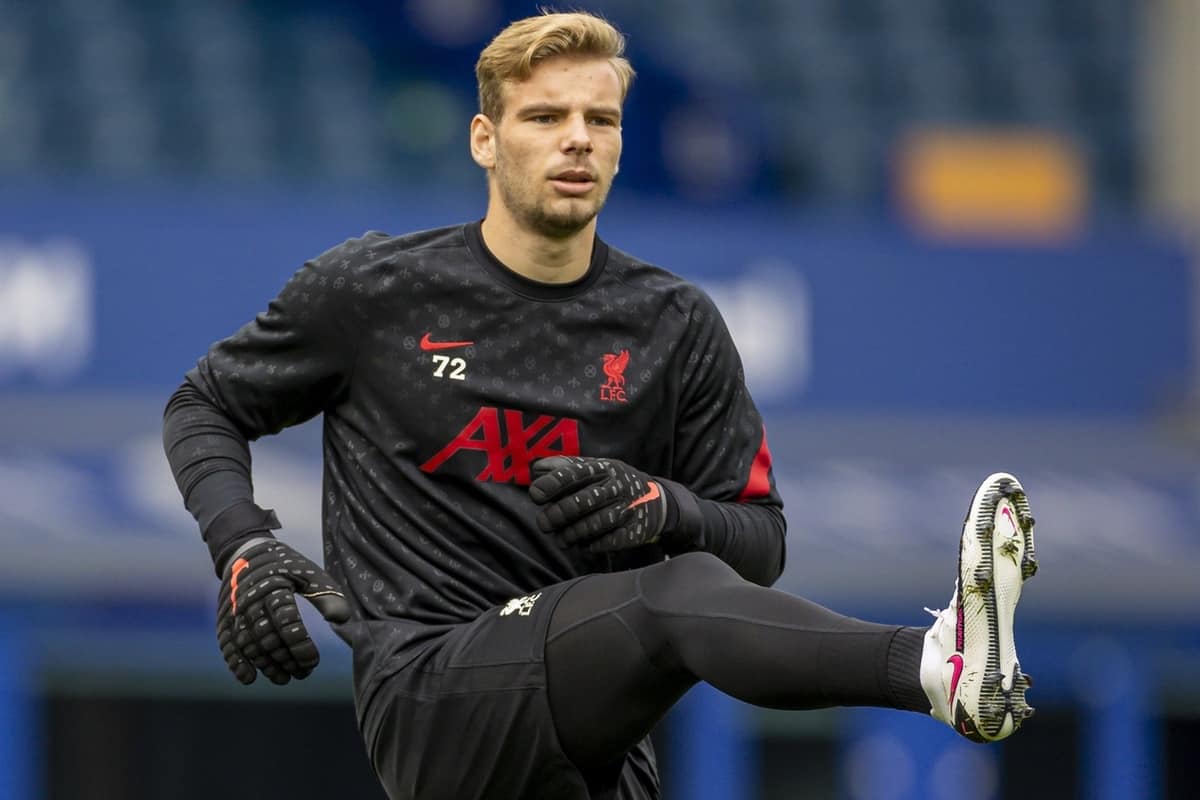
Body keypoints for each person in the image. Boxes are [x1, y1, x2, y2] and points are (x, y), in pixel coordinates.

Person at [162, 11, 1039, 799]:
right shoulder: (375, 292)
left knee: (681, 578)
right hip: (435, 698)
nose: (576, 140)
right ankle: (936, 664)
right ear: (484, 138)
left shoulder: (674, 323)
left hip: (600, 738)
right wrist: (242, 547)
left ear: (620, 144)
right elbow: (204, 403)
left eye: (600, 120)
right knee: (675, 592)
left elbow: (761, 543)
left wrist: (666, 505)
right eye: (544, 117)